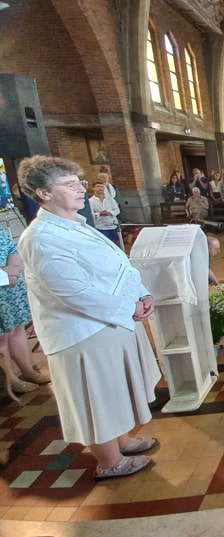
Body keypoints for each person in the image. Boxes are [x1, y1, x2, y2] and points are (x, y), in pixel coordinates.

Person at [16, 155, 161, 481]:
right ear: (43, 193)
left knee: (114, 391)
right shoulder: (41, 237)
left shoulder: (74, 223)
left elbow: (119, 264)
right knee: (96, 399)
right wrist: (129, 308)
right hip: (81, 334)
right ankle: (109, 462)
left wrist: (142, 292)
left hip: (107, 326)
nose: (81, 189)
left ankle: (122, 441)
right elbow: (73, 291)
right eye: (70, 184)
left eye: (79, 182)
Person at [0, 228, 51, 401]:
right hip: (3, 283)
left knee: (17, 329)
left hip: (9, 288)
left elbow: (13, 250)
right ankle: (10, 380)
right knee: (2, 337)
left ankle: (28, 370)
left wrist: (13, 270)